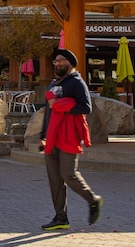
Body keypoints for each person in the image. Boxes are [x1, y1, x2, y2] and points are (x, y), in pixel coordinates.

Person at [39, 48, 103, 231]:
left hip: (68, 136)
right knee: (54, 179)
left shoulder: (77, 83)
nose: (57, 63)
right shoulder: (53, 84)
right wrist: (42, 135)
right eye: (55, 61)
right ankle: (61, 218)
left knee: (68, 173)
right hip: (51, 137)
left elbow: (86, 107)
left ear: (69, 63)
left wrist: (61, 106)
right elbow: (47, 112)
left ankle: (93, 200)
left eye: (60, 61)